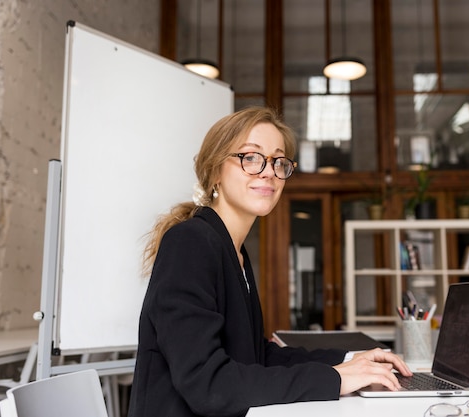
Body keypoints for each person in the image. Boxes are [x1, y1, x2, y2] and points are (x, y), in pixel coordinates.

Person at [127, 106, 412, 417]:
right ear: (215, 171)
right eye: (251, 157)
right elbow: (209, 383)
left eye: (279, 161)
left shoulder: (232, 250)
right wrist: (335, 378)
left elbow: (255, 355)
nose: (268, 171)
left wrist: (350, 359)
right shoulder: (191, 242)